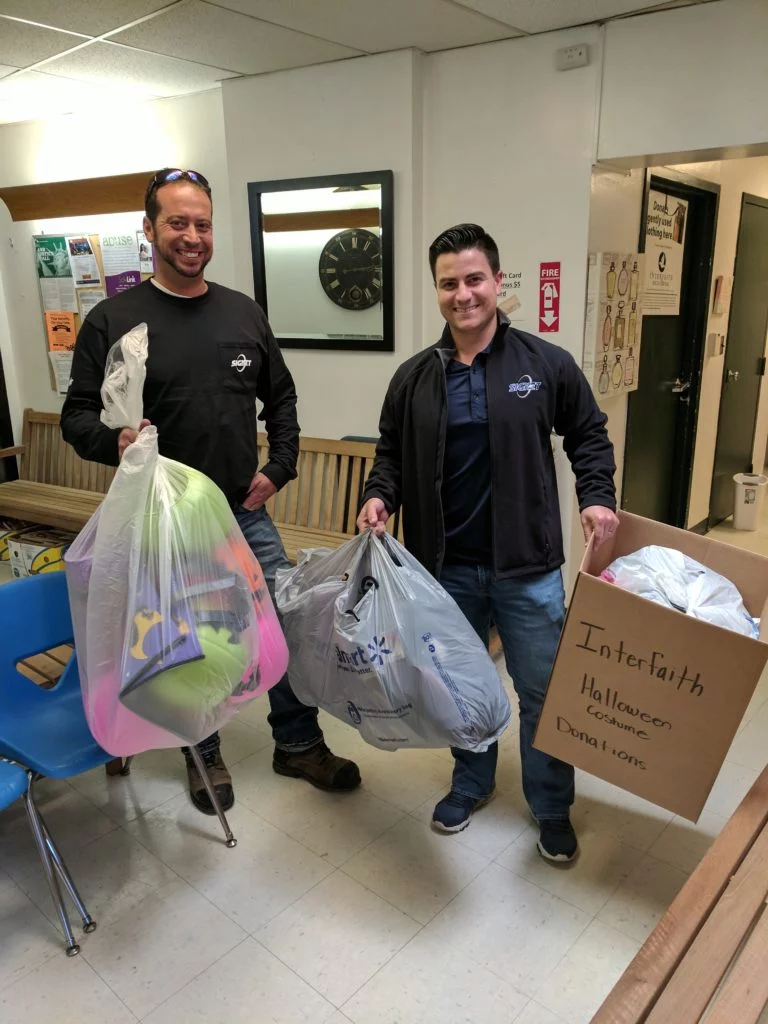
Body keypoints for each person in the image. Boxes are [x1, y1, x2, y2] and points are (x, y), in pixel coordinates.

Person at [61, 168, 361, 815]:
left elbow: (281, 398)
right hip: (158, 520)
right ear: (149, 230)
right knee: (183, 638)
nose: (191, 235)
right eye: (177, 222)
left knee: (281, 624)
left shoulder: (242, 313)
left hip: (242, 514)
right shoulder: (116, 319)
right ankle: (204, 752)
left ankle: (298, 742)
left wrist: (278, 467)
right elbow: (77, 416)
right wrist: (110, 441)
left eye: (201, 223)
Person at [357, 223, 618, 862]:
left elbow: (589, 434)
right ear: (438, 290)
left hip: (528, 568)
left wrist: (596, 497)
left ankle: (551, 805)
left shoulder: (543, 365)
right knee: (460, 686)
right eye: (449, 283)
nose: (463, 294)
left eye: (475, 280)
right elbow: (388, 453)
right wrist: (378, 495)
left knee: (543, 692)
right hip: (446, 572)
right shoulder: (414, 378)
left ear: (498, 283)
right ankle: (471, 783)